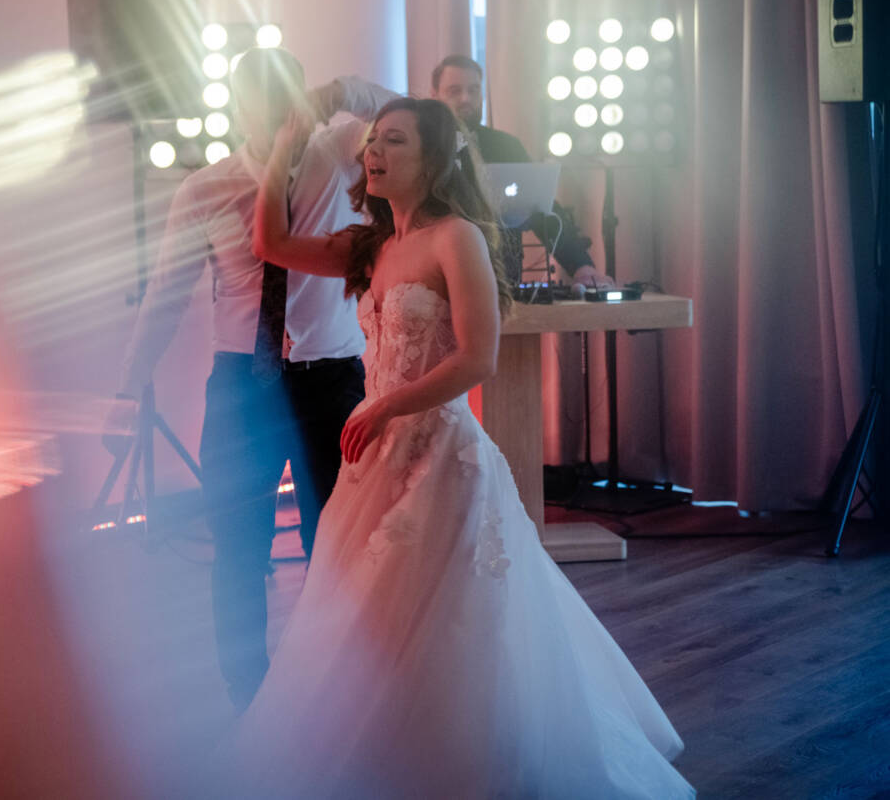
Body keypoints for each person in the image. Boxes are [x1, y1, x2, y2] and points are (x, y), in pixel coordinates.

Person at [214, 96, 693, 797]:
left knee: (455, 620)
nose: (374, 152)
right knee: (368, 619)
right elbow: (272, 245)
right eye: (372, 140)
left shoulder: (457, 237)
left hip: (442, 454)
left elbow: (477, 358)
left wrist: (387, 405)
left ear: (434, 160)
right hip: (374, 459)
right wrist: (285, 144)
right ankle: (384, 759)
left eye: (395, 141)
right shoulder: (370, 246)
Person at [108, 48, 395, 711]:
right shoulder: (204, 188)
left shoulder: (341, 153)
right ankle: (249, 696)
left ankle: (335, 689)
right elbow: (166, 294)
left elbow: (415, 119)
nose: (277, 122)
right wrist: (127, 387)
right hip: (242, 388)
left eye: (288, 106)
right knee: (238, 548)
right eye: (262, 109)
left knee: (337, 544)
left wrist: (343, 89)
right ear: (238, 109)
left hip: (332, 382)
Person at [432, 54, 614, 289]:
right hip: (435, 274)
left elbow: (543, 210)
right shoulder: (422, 148)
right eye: (454, 91)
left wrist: (581, 266)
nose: (466, 98)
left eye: (474, 90)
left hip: (502, 279)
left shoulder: (505, 146)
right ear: (434, 96)